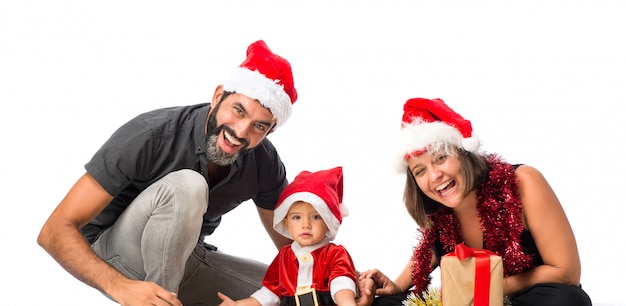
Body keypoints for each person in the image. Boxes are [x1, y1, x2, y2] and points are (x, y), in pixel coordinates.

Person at [37, 40, 299, 306]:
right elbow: (54, 230)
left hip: (185, 259)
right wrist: (120, 287)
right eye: (238, 111)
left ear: (270, 131)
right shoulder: (151, 135)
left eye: (258, 126)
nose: (241, 132)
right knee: (187, 186)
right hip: (112, 257)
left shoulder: (264, 163)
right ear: (218, 96)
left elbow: (296, 249)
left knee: (290, 295)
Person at [358, 98, 592, 306]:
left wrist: (491, 290)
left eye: (441, 158)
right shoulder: (437, 209)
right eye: (420, 171)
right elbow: (425, 256)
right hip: (465, 301)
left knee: (567, 300)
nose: (434, 177)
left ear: (464, 153)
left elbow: (567, 273)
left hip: (525, 298)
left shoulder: (524, 182)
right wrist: (395, 287)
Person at [217, 166, 365, 306]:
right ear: (286, 223)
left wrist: (347, 302)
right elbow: (267, 295)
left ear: (328, 222)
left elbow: (341, 282)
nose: (305, 225)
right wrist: (237, 304)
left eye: (315, 217)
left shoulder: (334, 254)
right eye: (296, 218)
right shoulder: (284, 257)